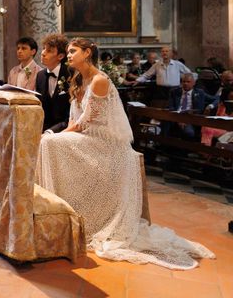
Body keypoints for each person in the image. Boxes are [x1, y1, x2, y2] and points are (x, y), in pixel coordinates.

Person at [37, 38, 214, 269]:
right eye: (68, 52)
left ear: (87, 52)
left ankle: (63, 219)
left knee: (50, 144)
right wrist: (56, 135)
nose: (69, 55)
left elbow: (84, 122)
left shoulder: (99, 80)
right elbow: (73, 118)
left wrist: (56, 136)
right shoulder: (78, 78)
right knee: (48, 143)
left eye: (73, 51)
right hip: (86, 136)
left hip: (104, 142)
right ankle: (57, 216)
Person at [34, 34, 70, 132]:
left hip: (65, 129)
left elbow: (71, 114)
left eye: (49, 51)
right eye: (44, 49)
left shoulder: (70, 75)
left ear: (61, 56)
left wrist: (51, 131)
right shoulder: (40, 76)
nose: (43, 53)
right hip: (43, 128)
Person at [167, 73, 210, 141]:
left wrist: (210, 106)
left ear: (194, 83)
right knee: (164, 125)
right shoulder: (174, 92)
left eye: (188, 82)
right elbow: (171, 107)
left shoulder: (199, 92)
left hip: (190, 118)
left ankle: (185, 150)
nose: (185, 83)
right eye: (184, 81)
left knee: (189, 133)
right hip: (176, 117)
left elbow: (216, 98)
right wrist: (178, 120)